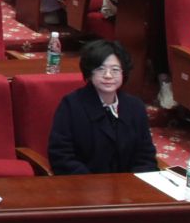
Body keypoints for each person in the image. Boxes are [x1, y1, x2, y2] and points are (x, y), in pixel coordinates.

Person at [46, 40, 157, 175]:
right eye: (100, 69)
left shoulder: (135, 106)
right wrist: (93, 183)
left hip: (129, 185)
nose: (108, 75)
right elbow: (61, 157)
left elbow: (145, 155)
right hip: (82, 183)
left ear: (123, 73)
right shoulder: (71, 105)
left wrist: (134, 182)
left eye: (115, 70)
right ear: (89, 73)